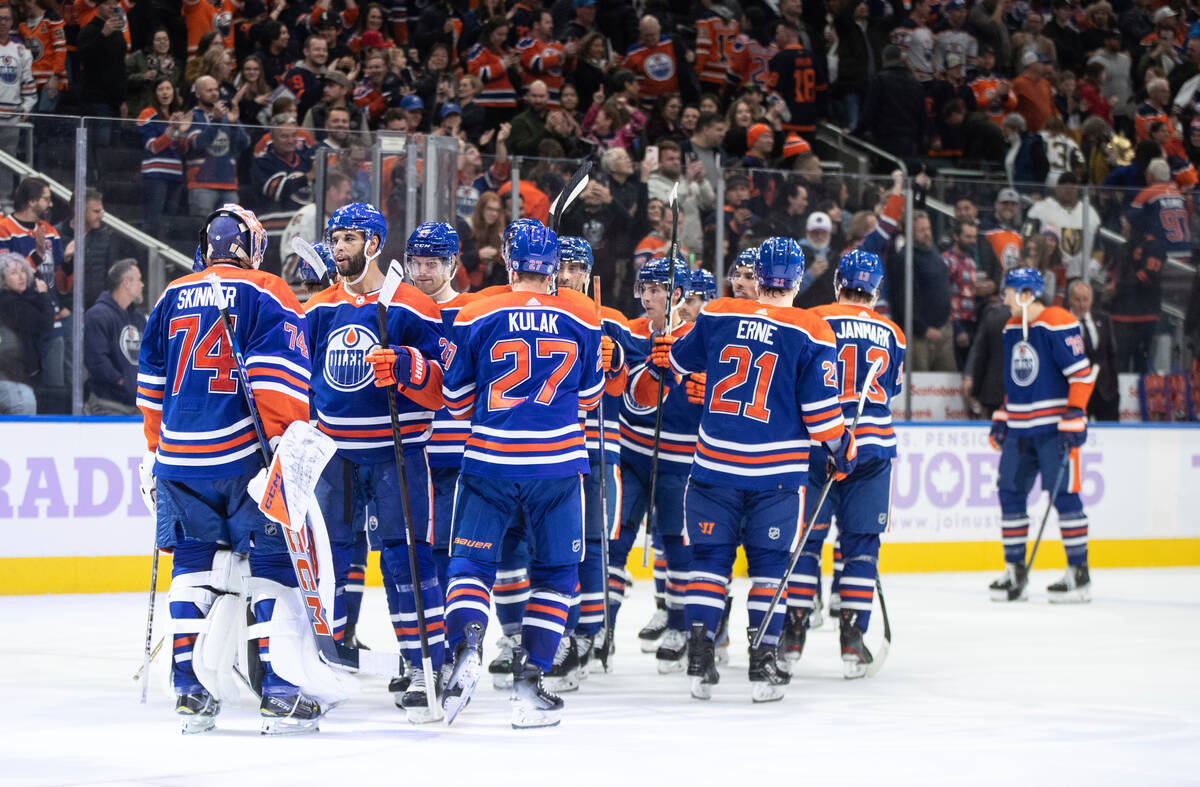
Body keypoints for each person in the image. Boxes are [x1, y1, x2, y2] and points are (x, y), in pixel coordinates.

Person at [137, 204, 347, 735]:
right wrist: (286, 439)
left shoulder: (169, 295)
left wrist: (155, 449)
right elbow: (275, 375)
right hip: (244, 456)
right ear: (249, 247)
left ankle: (188, 687)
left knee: (194, 562)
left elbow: (151, 388)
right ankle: (278, 689)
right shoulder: (266, 289)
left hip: (180, 457)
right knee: (273, 566)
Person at [650, 236, 855, 702]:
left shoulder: (719, 312)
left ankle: (700, 659)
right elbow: (822, 414)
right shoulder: (812, 329)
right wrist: (843, 446)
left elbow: (677, 363)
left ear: (756, 276)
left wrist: (666, 352)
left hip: (712, 467)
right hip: (776, 476)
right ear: (798, 280)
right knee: (769, 569)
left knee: (708, 564)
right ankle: (763, 664)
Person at [439, 220, 605, 729]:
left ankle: (466, 646)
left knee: (471, 564)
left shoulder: (475, 311)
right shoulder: (584, 314)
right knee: (556, 573)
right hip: (556, 464)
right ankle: (530, 683)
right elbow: (592, 397)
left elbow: (455, 398)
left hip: (489, 460)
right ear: (555, 267)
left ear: (509, 262)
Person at [306, 205, 448, 723]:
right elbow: (303, 378)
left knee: (405, 560)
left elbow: (441, 390)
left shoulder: (410, 306)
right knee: (328, 560)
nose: (338, 247)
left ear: (374, 244)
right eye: (334, 238)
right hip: (334, 456)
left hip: (397, 453)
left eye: (348, 238)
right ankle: (325, 658)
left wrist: (408, 367)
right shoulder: (319, 307)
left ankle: (423, 663)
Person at [783, 250, 904, 677]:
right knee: (861, 546)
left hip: (819, 445)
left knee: (805, 543)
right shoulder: (893, 331)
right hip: (871, 448)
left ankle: (793, 632)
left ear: (838, 283)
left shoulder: (813, 318)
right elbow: (891, 389)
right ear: (876, 290)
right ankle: (853, 640)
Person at [611, 256, 701, 672]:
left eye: (656, 289)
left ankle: (680, 626)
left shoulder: (700, 337)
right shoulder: (630, 332)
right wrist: (654, 369)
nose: (647, 296)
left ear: (677, 294)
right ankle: (602, 628)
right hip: (631, 455)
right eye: (643, 288)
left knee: (675, 541)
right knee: (615, 540)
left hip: (680, 459)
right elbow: (631, 398)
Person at [988, 267, 1095, 604]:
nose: (1004, 299)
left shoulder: (1057, 320)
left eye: (1009, 292)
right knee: (1009, 492)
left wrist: (1076, 414)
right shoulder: (1010, 328)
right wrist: (1004, 414)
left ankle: (1079, 575)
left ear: (1025, 294)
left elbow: (1081, 373)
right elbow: (1016, 380)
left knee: (1064, 497)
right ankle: (1015, 570)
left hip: (1054, 428)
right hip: (1020, 429)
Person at [1112, 158, 1188, 373]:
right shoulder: (1178, 193)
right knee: (1171, 321)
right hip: (1183, 256)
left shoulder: (1149, 193)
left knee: (1163, 321)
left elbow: (1129, 220)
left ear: (1150, 176)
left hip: (1160, 254)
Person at [892, 211, 955, 371]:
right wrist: (922, 328)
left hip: (943, 330)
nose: (927, 233)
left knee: (947, 383)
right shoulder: (904, 258)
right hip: (919, 335)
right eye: (922, 230)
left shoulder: (933, 252)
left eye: (928, 229)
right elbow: (902, 299)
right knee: (919, 385)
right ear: (910, 232)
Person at [82, 259, 145, 415]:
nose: (142, 285)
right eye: (139, 279)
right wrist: (123, 382)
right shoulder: (97, 315)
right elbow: (97, 361)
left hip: (138, 404)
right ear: (126, 283)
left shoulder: (138, 318)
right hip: (108, 404)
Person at [185, 75, 250, 216]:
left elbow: (244, 143)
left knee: (231, 230)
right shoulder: (192, 116)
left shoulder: (227, 116)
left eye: (216, 89)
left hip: (228, 183)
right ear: (197, 94)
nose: (214, 93)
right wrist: (216, 121)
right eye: (209, 90)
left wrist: (234, 124)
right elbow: (198, 144)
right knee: (202, 231)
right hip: (201, 184)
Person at [0, 251, 53, 414]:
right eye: (14, 273)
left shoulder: (18, 299)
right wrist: (44, 295)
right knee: (24, 406)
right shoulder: (10, 303)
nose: (21, 276)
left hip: (14, 374)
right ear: (3, 280)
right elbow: (45, 322)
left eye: (23, 270)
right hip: (11, 375)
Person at [1026, 173, 1100, 281]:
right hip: (1047, 273)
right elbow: (1026, 236)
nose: (1068, 190)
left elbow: (1099, 246)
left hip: (1080, 276)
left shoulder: (1090, 213)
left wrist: (1095, 263)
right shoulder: (1040, 209)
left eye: (1072, 186)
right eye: (1064, 186)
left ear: (1078, 189)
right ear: (1056, 188)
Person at [647, 140, 714, 257]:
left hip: (693, 249)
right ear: (659, 163)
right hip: (666, 248)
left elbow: (709, 202)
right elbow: (668, 207)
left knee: (693, 274)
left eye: (678, 159)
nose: (676, 162)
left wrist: (702, 181)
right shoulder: (652, 184)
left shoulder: (689, 182)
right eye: (670, 159)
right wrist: (687, 182)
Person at [1067, 280, 1119, 421]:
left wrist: (1114, 389)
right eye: (1077, 300)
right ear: (1070, 299)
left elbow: (1111, 355)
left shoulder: (1103, 319)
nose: (1082, 304)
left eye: (1086, 299)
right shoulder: (1063, 322)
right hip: (1076, 392)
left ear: (1092, 300)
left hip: (1104, 392)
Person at [0, 4, 36, 204]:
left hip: (10, 119)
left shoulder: (21, 50)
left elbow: (28, 85)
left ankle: (3, 202)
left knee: (7, 162)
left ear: (12, 22)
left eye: (6, 19)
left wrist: (26, 108)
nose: (2, 23)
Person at [76, 0, 127, 124]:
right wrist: (103, 35)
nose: (112, 7)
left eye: (115, 3)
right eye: (108, 3)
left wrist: (123, 99)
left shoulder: (118, 32)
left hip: (116, 99)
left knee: (114, 142)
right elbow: (84, 58)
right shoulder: (88, 30)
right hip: (96, 99)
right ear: (98, 6)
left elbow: (120, 66)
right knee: (100, 142)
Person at [943, 219, 979, 369]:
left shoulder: (971, 261)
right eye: (968, 237)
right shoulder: (947, 260)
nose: (972, 241)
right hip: (955, 323)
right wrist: (957, 327)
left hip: (970, 321)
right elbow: (944, 296)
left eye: (974, 237)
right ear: (956, 237)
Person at [281, 35, 329, 123]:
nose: (322, 53)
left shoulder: (328, 74)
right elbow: (303, 102)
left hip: (326, 126)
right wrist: (325, 81)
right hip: (300, 127)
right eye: (317, 49)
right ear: (306, 52)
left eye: (325, 50)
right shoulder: (295, 73)